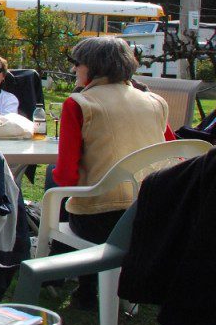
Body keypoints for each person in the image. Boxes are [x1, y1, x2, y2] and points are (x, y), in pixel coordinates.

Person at [51, 36, 174, 306]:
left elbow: (67, 177)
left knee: (61, 188)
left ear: (93, 66)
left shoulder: (79, 104)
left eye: (77, 63)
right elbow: (173, 150)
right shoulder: (155, 102)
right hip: (152, 214)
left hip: (101, 220)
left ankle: (76, 282)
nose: (74, 69)